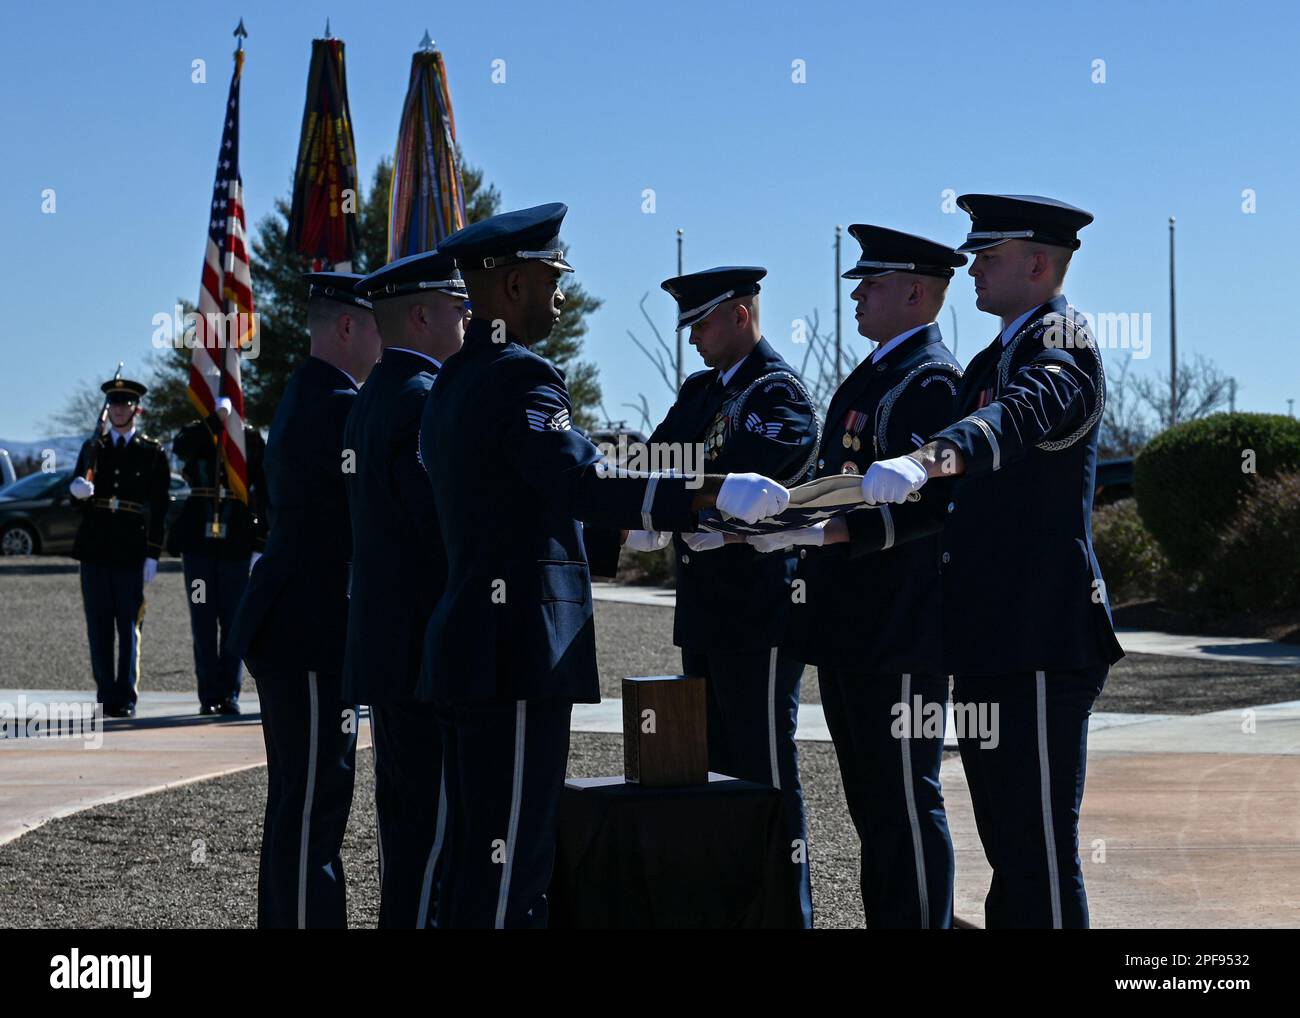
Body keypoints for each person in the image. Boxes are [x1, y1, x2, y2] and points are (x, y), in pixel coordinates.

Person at [417, 202, 791, 928]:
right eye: (552, 279)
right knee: (512, 866)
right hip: (513, 653)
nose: (562, 297)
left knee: (475, 857)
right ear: (513, 284)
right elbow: (582, 483)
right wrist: (711, 494)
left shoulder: (454, 380)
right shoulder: (521, 377)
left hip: (471, 647)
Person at [852, 195, 1125, 928]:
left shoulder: (1063, 345)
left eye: (990, 255)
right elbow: (942, 510)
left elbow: (1017, 417)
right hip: (991, 636)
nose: (971, 266)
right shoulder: (990, 357)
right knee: (1008, 844)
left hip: (1041, 633)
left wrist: (927, 455)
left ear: (1039, 264)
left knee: (1035, 849)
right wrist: (821, 534)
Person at [749, 226, 966, 928]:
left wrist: (832, 528)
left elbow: (936, 504)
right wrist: (795, 517)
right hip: (855, 627)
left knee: (904, 798)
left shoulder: (931, 381)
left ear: (914, 292)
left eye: (871, 285)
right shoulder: (876, 371)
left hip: (901, 628)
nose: (858, 296)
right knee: (873, 805)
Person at [626, 265, 820, 926]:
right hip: (708, 611)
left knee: (764, 767)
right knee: (715, 770)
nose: (694, 339)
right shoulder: (702, 390)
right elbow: (660, 462)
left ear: (741, 315)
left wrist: (690, 510)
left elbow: (756, 480)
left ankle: (783, 915)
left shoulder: (777, 393)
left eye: (702, 323)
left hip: (759, 610)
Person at [228, 271, 381, 929]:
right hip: (310, 627)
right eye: (378, 326)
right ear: (347, 326)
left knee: (300, 801)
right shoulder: (337, 407)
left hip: (294, 620)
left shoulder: (309, 393)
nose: (385, 341)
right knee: (314, 804)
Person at [345, 249, 467, 928]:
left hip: (389, 644)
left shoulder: (374, 395)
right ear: (419, 315)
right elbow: (438, 522)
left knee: (407, 828)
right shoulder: (422, 400)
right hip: (423, 648)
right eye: (456, 308)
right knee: (432, 834)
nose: (467, 318)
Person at [68, 377, 170, 719]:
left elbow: (159, 507)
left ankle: (125, 695)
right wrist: (77, 492)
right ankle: (105, 693)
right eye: (114, 404)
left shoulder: (150, 451)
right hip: (95, 546)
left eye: (125, 404)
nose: (118, 409)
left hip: (130, 547)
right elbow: (78, 495)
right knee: (98, 624)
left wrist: (153, 553)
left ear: (136, 409)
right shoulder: (93, 447)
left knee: (128, 626)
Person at [168, 396, 268, 715]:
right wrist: (214, 422)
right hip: (199, 542)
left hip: (236, 540)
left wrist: (261, 543)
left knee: (234, 619)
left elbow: (265, 489)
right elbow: (181, 449)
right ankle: (208, 694)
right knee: (203, 620)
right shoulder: (196, 433)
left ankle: (229, 693)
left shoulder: (249, 438)